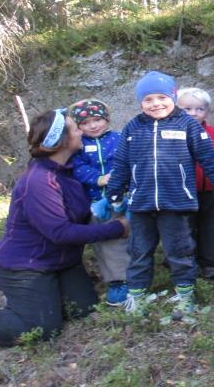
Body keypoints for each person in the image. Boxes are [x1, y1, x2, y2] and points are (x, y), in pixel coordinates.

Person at [0, 110, 128, 353]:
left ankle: (43, 298)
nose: (82, 130)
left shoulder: (68, 170)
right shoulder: (40, 181)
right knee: (42, 328)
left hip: (63, 263)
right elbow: (60, 233)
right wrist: (117, 228)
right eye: (75, 128)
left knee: (84, 310)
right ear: (61, 141)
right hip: (26, 266)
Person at [104, 71, 214, 320]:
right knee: (139, 250)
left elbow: (208, 158)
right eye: (148, 99)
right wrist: (115, 191)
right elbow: (121, 162)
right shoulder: (133, 126)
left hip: (175, 201)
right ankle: (137, 297)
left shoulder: (187, 125)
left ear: (172, 97)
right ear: (140, 102)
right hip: (141, 203)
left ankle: (185, 296)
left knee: (179, 250)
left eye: (161, 97)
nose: (155, 104)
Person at [68, 99, 130, 306]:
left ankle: (137, 275)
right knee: (106, 244)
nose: (93, 126)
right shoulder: (78, 146)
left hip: (124, 199)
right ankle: (117, 281)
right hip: (96, 203)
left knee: (131, 237)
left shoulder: (120, 138)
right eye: (85, 123)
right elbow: (76, 168)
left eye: (97, 120)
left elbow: (131, 160)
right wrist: (98, 178)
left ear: (107, 119)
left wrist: (122, 177)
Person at [177, 87, 214, 280]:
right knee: (184, 228)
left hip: (210, 190)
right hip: (182, 192)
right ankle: (185, 262)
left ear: (207, 112)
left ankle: (211, 262)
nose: (193, 113)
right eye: (187, 109)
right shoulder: (172, 134)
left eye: (199, 109)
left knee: (211, 227)